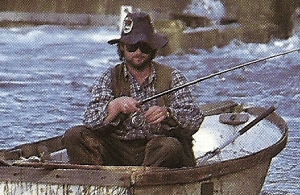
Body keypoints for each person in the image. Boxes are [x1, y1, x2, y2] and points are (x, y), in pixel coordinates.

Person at [62, 12, 204, 168]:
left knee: (170, 147)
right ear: (122, 48)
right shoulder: (108, 78)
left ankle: (142, 181)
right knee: (74, 135)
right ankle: (99, 182)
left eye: (144, 46)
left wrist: (168, 114)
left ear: (152, 47)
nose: (138, 52)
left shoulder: (173, 76)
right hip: (116, 152)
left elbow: (195, 119)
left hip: (157, 152)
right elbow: (90, 121)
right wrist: (113, 107)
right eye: (132, 46)